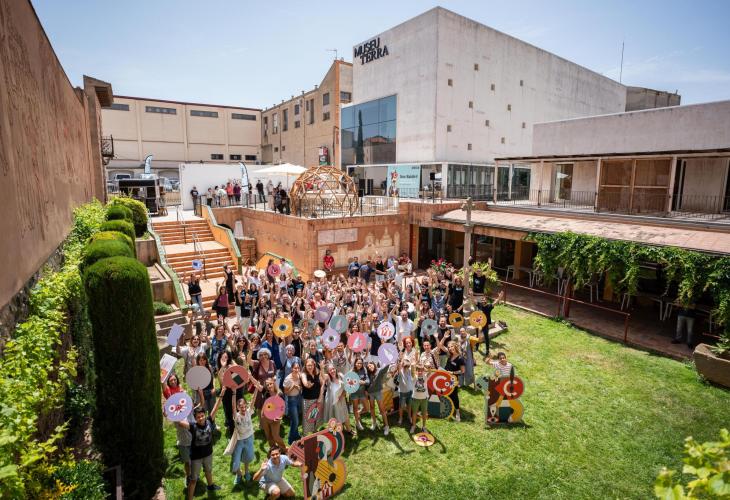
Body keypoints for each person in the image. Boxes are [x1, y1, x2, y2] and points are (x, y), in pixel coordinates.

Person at [178, 406, 221, 498]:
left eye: (202, 416)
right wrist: (171, 415)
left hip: (208, 454)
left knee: (208, 471)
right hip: (196, 458)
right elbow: (180, 423)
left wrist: (220, 397)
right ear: (195, 418)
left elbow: (215, 409)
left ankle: (210, 486)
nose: (201, 418)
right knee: (193, 480)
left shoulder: (209, 421)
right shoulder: (193, 426)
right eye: (198, 417)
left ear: (205, 415)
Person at [225, 391, 255, 486]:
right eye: (241, 407)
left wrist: (256, 389)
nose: (244, 408)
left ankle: (246, 472)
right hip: (239, 440)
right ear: (238, 408)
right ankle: (238, 474)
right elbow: (233, 406)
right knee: (236, 461)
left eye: (245, 406)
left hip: (249, 438)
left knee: (247, 457)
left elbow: (253, 401)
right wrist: (234, 393)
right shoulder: (236, 416)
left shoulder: (248, 412)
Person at [441, 340, 465, 422]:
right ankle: (447, 409)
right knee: (446, 393)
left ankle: (457, 412)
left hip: (453, 380)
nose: (450, 348)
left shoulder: (460, 358)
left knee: (454, 395)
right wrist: (444, 337)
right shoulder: (450, 355)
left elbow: (462, 371)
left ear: (455, 346)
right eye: (449, 347)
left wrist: (453, 372)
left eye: (452, 346)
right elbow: (441, 346)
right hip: (446, 378)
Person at [282, 361, 303, 443]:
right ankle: (291, 440)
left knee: (294, 419)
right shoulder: (288, 379)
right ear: (292, 369)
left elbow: (300, 386)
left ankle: (296, 435)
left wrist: (299, 387)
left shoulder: (299, 375)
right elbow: (285, 392)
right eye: (295, 368)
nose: (296, 369)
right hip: (291, 400)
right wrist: (293, 387)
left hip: (298, 398)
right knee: (296, 421)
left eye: (298, 368)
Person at [410, 364, 429, 433]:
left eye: (421, 370)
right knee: (414, 413)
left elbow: (430, 371)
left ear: (423, 371)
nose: (420, 372)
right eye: (418, 370)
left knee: (424, 413)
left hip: (424, 398)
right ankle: (413, 426)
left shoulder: (425, 376)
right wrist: (413, 365)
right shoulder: (414, 376)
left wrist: (425, 367)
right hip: (415, 398)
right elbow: (412, 371)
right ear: (416, 371)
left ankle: (424, 427)